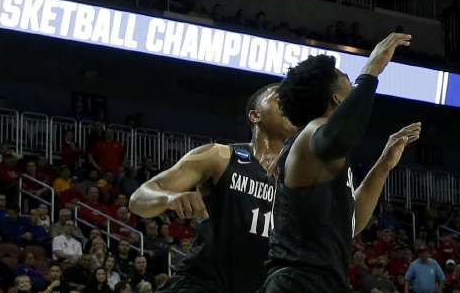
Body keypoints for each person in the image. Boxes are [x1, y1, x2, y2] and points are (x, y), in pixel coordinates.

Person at [260, 33, 422, 293]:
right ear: (336, 97)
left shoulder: (322, 153)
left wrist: (383, 165)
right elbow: (340, 136)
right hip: (297, 282)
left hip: (323, 282)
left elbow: (352, 223)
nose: (349, 78)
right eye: (344, 76)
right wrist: (371, 71)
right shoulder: (312, 133)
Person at [130, 82, 293, 293]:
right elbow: (138, 199)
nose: (290, 104)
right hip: (201, 284)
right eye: (280, 98)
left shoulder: (297, 179)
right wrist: (169, 198)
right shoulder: (219, 156)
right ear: (255, 116)